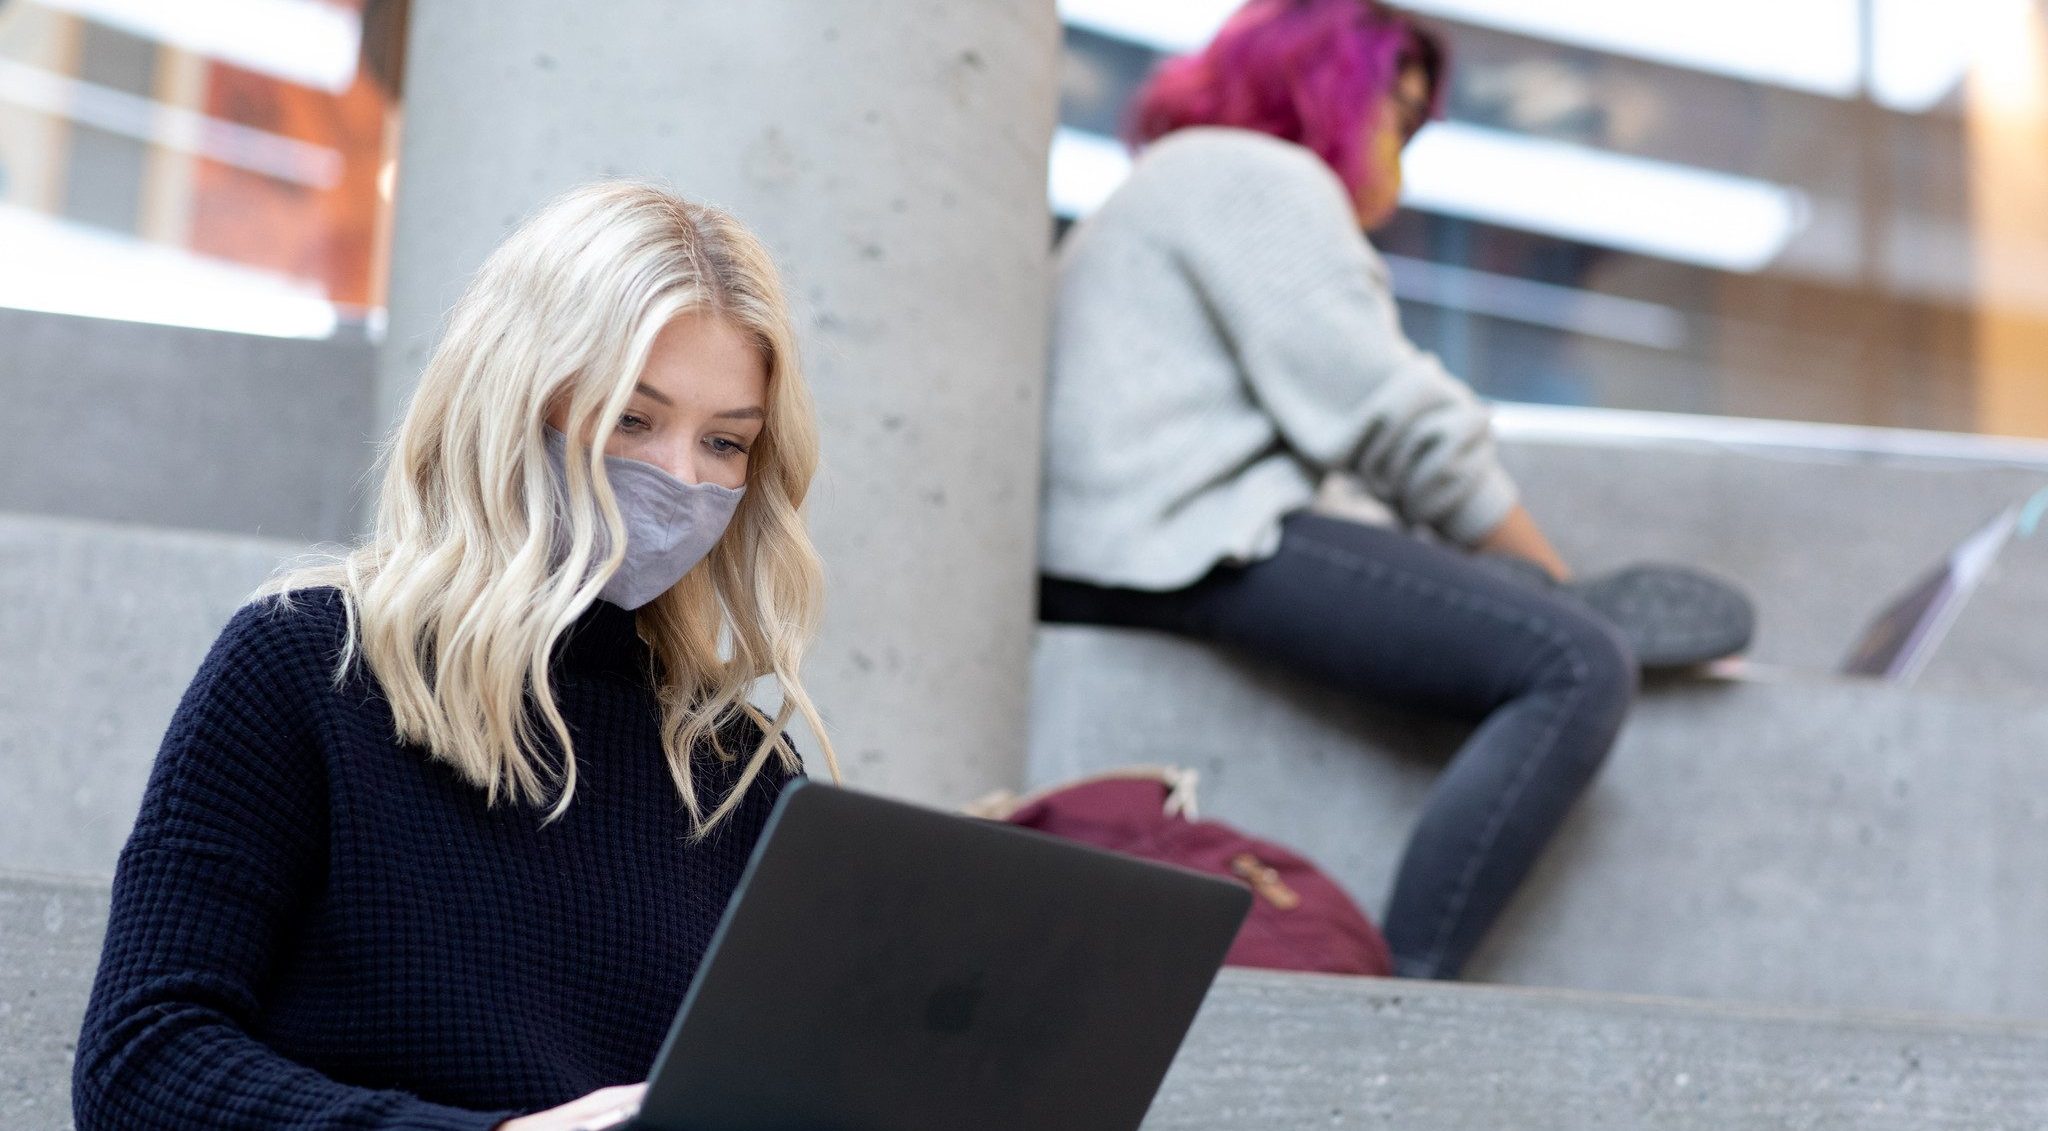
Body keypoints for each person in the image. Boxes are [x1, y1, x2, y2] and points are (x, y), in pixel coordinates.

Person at [73, 181, 836, 1130]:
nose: (681, 477)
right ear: (513, 403)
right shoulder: (312, 667)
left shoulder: (734, 764)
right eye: (632, 420)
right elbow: (142, 1064)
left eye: (725, 441)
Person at [1039, 0, 1681, 980]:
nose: (1399, 154)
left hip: (1126, 541)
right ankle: (1395, 1003)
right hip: (1174, 536)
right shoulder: (1250, 173)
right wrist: (1551, 584)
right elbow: (1385, 409)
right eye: (1396, 111)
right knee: (1574, 660)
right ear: (1328, 85)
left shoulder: (1174, 183)